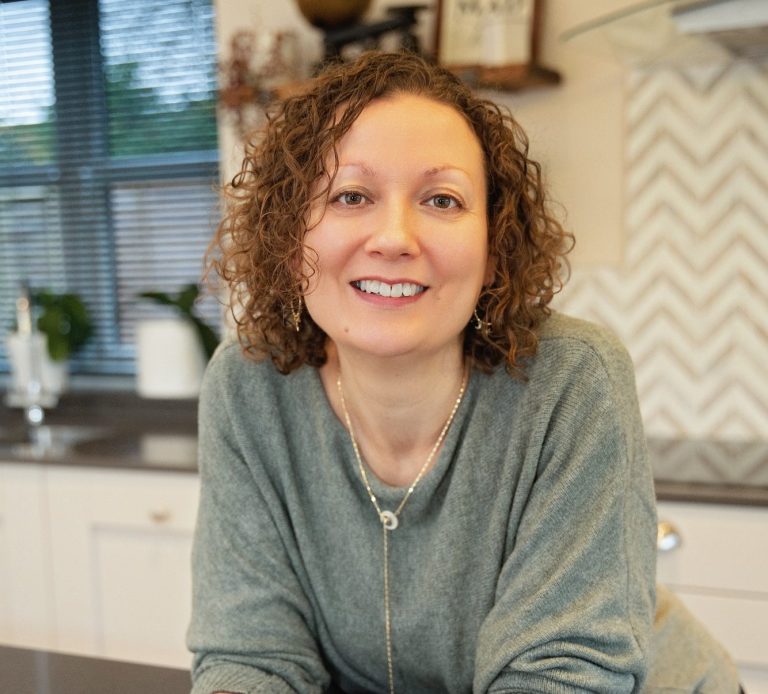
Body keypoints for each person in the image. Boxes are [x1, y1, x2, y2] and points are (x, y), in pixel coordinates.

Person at [187, 51, 739, 693]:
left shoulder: (573, 381)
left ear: (495, 245)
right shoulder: (247, 385)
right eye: (351, 195)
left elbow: (560, 675)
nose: (394, 237)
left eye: (442, 199)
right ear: (288, 238)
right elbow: (250, 658)